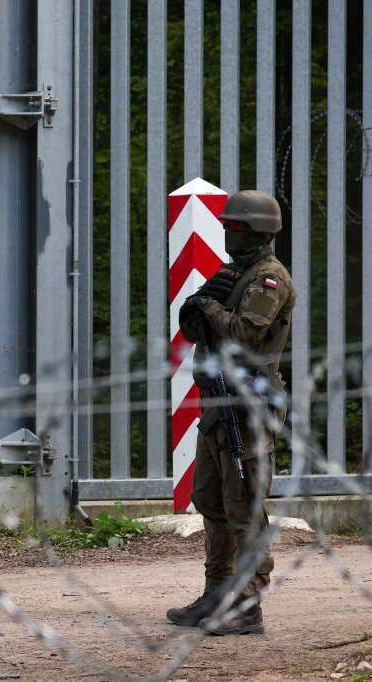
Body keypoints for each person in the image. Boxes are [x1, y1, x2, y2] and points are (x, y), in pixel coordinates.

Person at [168, 190, 296, 635]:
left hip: (249, 407)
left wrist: (209, 306)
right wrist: (196, 306)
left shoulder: (269, 280)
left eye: (233, 227)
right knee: (210, 498)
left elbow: (242, 335)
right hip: (219, 402)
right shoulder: (235, 273)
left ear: (256, 231)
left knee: (244, 506)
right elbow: (194, 330)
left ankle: (247, 605)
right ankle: (218, 593)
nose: (226, 233)